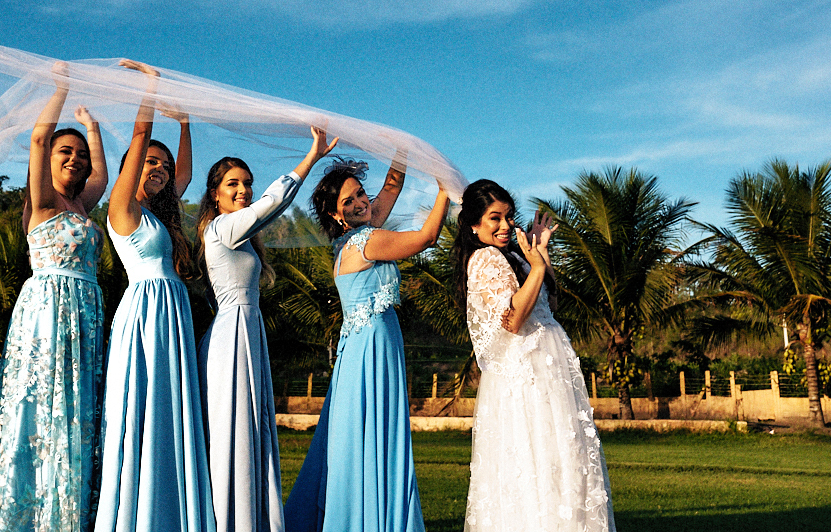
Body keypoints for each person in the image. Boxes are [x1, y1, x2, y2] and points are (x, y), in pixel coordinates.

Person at [284, 159, 450, 532]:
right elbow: (426, 239)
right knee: (368, 437)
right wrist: (445, 189)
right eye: (349, 201)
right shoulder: (366, 241)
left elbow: (391, 186)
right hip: (370, 349)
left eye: (361, 193)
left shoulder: (353, 239)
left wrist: (402, 152)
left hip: (370, 347)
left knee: (367, 436)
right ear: (336, 214)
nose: (361, 202)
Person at [0, 64, 109, 532]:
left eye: (78, 154)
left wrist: (92, 129)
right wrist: (60, 89)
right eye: (66, 151)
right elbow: (38, 140)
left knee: (76, 408)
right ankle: (30, 513)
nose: (74, 159)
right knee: (43, 406)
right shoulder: (42, 201)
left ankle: (70, 505)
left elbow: (99, 171)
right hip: (49, 310)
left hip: (85, 312)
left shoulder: (82, 204)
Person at [450, 179, 615, 532]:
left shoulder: (512, 257)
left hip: (548, 371)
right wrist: (536, 268)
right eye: (494, 218)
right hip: (523, 376)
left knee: (561, 460)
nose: (506, 226)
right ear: (474, 224)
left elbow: (549, 305)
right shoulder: (484, 259)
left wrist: (543, 258)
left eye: (509, 217)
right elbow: (513, 320)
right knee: (532, 461)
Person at [92, 61, 216, 532]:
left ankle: (167, 501)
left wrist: (185, 123)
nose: (161, 169)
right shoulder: (123, 209)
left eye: (163, 165)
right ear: (131, 167)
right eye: (150, 162)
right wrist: (150, 86)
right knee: (143, 402)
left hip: (173, 313)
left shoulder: (162, 215)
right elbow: (141, 133)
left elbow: (183, 172)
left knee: (170, 404)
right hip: (144, 312)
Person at [196, 128, 338, 532]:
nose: (243, 190)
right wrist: (311, 157)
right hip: (233, 336)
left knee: (249, 430)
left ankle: (251, 518)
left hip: (246, 331)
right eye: (233, 184)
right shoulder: (223, 228)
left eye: (247, 184)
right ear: (216, 194)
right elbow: (274, 202)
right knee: (233, 431)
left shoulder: (237, 234)